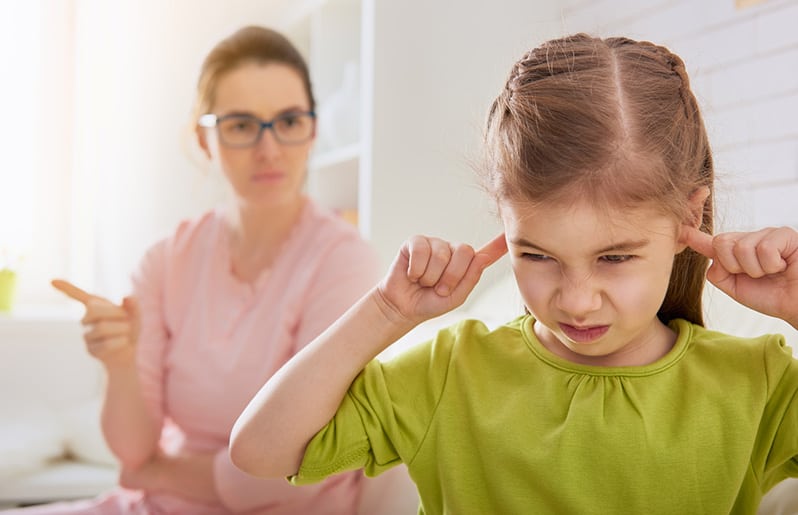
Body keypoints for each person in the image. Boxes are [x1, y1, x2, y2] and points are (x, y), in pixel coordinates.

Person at [228, 33, 798, 514]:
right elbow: (259, 451)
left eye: (615, 258)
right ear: (503, 222)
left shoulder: (757, 382)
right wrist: (387, 311)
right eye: (538, 255)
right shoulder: (451, 370)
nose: (576, 302)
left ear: (686, 220)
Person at [11, 25, 380, 514]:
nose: (269, 149)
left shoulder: (344, 262)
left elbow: (305, 472)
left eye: (289, 120)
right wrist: (119, 365)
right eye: (241, 125)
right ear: (204, 139)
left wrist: (163, 473)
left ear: (312, 128)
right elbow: (132, 453)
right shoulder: (166, 260)